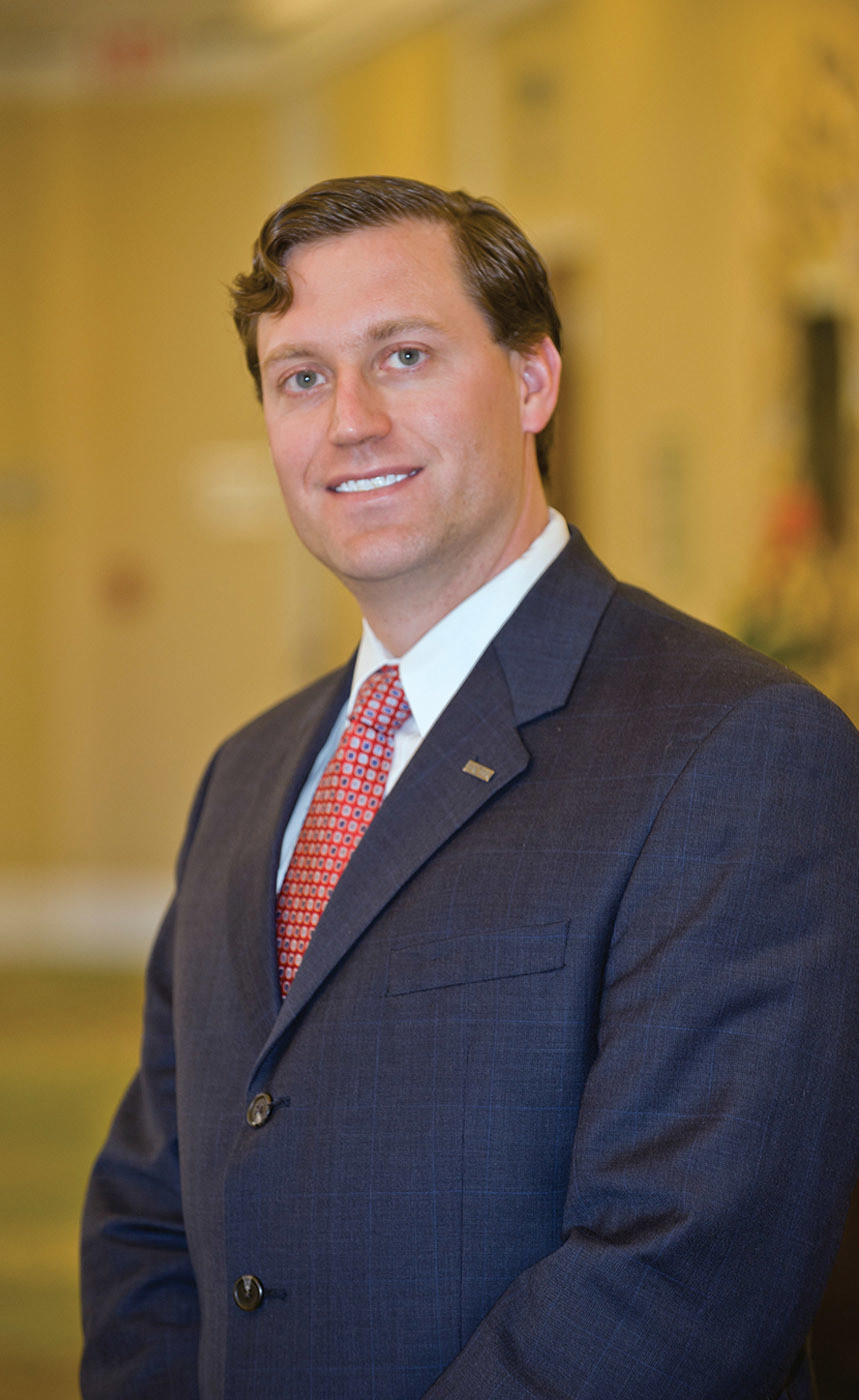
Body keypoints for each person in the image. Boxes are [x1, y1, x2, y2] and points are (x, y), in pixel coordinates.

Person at [80, 176, 859, 1400]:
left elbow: (686, 1271)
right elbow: (149, 1205)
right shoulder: (247, 773)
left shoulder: (740, 749)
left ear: (533, 378)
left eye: (404, 356)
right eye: (300, 376)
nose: (349, 421)